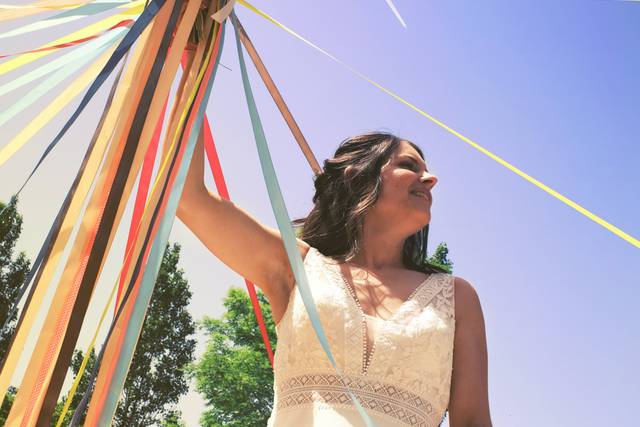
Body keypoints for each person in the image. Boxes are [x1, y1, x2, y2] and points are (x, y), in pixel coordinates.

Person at [177, 131, 492, 427]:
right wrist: (192, 79)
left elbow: (474, 422)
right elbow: (188, 197)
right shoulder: (297, 266)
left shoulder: (456, 298)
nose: (431, 178)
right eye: (409, 165)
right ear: (357, 175)